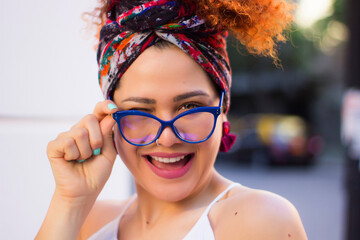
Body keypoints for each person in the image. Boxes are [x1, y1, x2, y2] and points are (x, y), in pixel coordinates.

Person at [36, 0, 308, 239]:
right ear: (109, 119)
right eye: (141, 110)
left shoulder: (257, 220)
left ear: (223, 108)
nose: (167, 137)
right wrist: (69, 201)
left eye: (189, 106)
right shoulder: (89, 221)